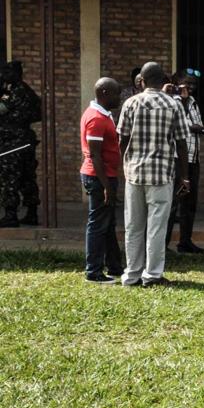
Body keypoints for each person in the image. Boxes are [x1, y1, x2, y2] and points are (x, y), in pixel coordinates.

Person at [116, 62, 190, 287]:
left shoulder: (130, 103)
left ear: (142, 81)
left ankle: (132, 274)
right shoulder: (173, 104)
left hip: (135, 174)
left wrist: (125, 165)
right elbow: (182, 143)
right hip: (161, 175)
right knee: (157, 227)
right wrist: (184, 176)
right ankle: (152, 275)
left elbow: (123, 139)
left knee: (133, 226)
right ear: (163, 79)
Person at [79, 77, 124, 283]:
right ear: (105, 93)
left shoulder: (104, 115)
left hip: (106, 176)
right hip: (99, 177)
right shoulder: (96, 118)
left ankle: (115, 266)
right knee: (97, 224)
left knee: (107, 223)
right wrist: (106, 186)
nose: (120, 97)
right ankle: (93, 272)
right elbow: (95, 155)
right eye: (117, 93)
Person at [167, 70, 204, 254]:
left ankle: (185, 242)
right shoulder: (172, 102)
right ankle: (163, 244)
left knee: (190, 203)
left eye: (193, 84)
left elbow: (194, 124)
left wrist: (203, 129)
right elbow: (180, 125)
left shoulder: (193, 103)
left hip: (193, 158)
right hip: (178, 159)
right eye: (187, 83)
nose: (191, 87)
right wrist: (198, 128)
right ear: (177, 83)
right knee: (173, 204)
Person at [0, 61, 42, 227]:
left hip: (12, 142)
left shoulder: (12, 92)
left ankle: (11, 216)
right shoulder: (27, 91)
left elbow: (2, 109)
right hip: (25, 139)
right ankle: (32, 214)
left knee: (9, 178)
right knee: (27, 178)